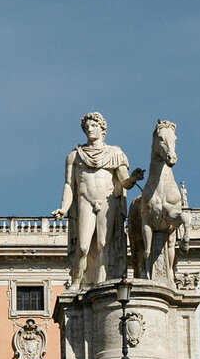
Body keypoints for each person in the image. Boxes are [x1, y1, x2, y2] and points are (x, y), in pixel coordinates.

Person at [50, 112, 144, 289]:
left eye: (93, 126)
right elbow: (69, 185)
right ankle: (77, 280)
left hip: (108, 202)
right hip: (85, 201)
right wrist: (63, 208)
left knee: (104, 244)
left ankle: (102, 281)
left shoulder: (115, 153)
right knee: (83, 246)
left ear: (102, 128)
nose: (89, 129)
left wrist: (133, 178)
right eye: (86, 127)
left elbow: (123, 182)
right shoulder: (74, 156)